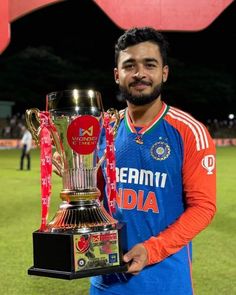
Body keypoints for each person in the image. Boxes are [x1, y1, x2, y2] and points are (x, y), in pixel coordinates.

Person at [90, 27, 216, 295]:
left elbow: (203, 207)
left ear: (164, 72)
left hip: (165, 283)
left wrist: (151, 250)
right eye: (129, 65)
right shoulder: (103, 129)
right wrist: (73, 177)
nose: (139, 74)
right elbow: (95, 199)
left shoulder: (189, 131)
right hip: (105, 282)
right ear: (117, 75)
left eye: (150, 64)